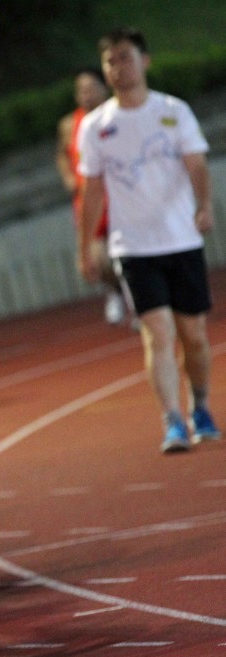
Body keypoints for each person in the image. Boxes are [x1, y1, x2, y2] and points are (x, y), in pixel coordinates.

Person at [77, 27, 219, 453]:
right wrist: (85, 246)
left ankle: (200, 404)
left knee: (192, 334)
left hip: (180, 240)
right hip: (133, 248)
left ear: (145, 61)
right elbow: (92, 190)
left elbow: (196, 163)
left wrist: (204, 204)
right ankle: (172, 420)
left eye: (125, 57)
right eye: (110, 62)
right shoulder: (97, 126)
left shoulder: (173, 111)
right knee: (157, 334)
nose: (118, 68)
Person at [56, 68, 125, 325]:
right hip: (89, 199)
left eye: (90, 88)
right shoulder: (68, 124)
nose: (84, 95)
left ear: (103, 88)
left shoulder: (118, 115)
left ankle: (140, 302)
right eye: (80, 90)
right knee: (100, 259)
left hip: (120, 194)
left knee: (129, 255)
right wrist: (69, 178)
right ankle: (115, 291)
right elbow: (63, 154)